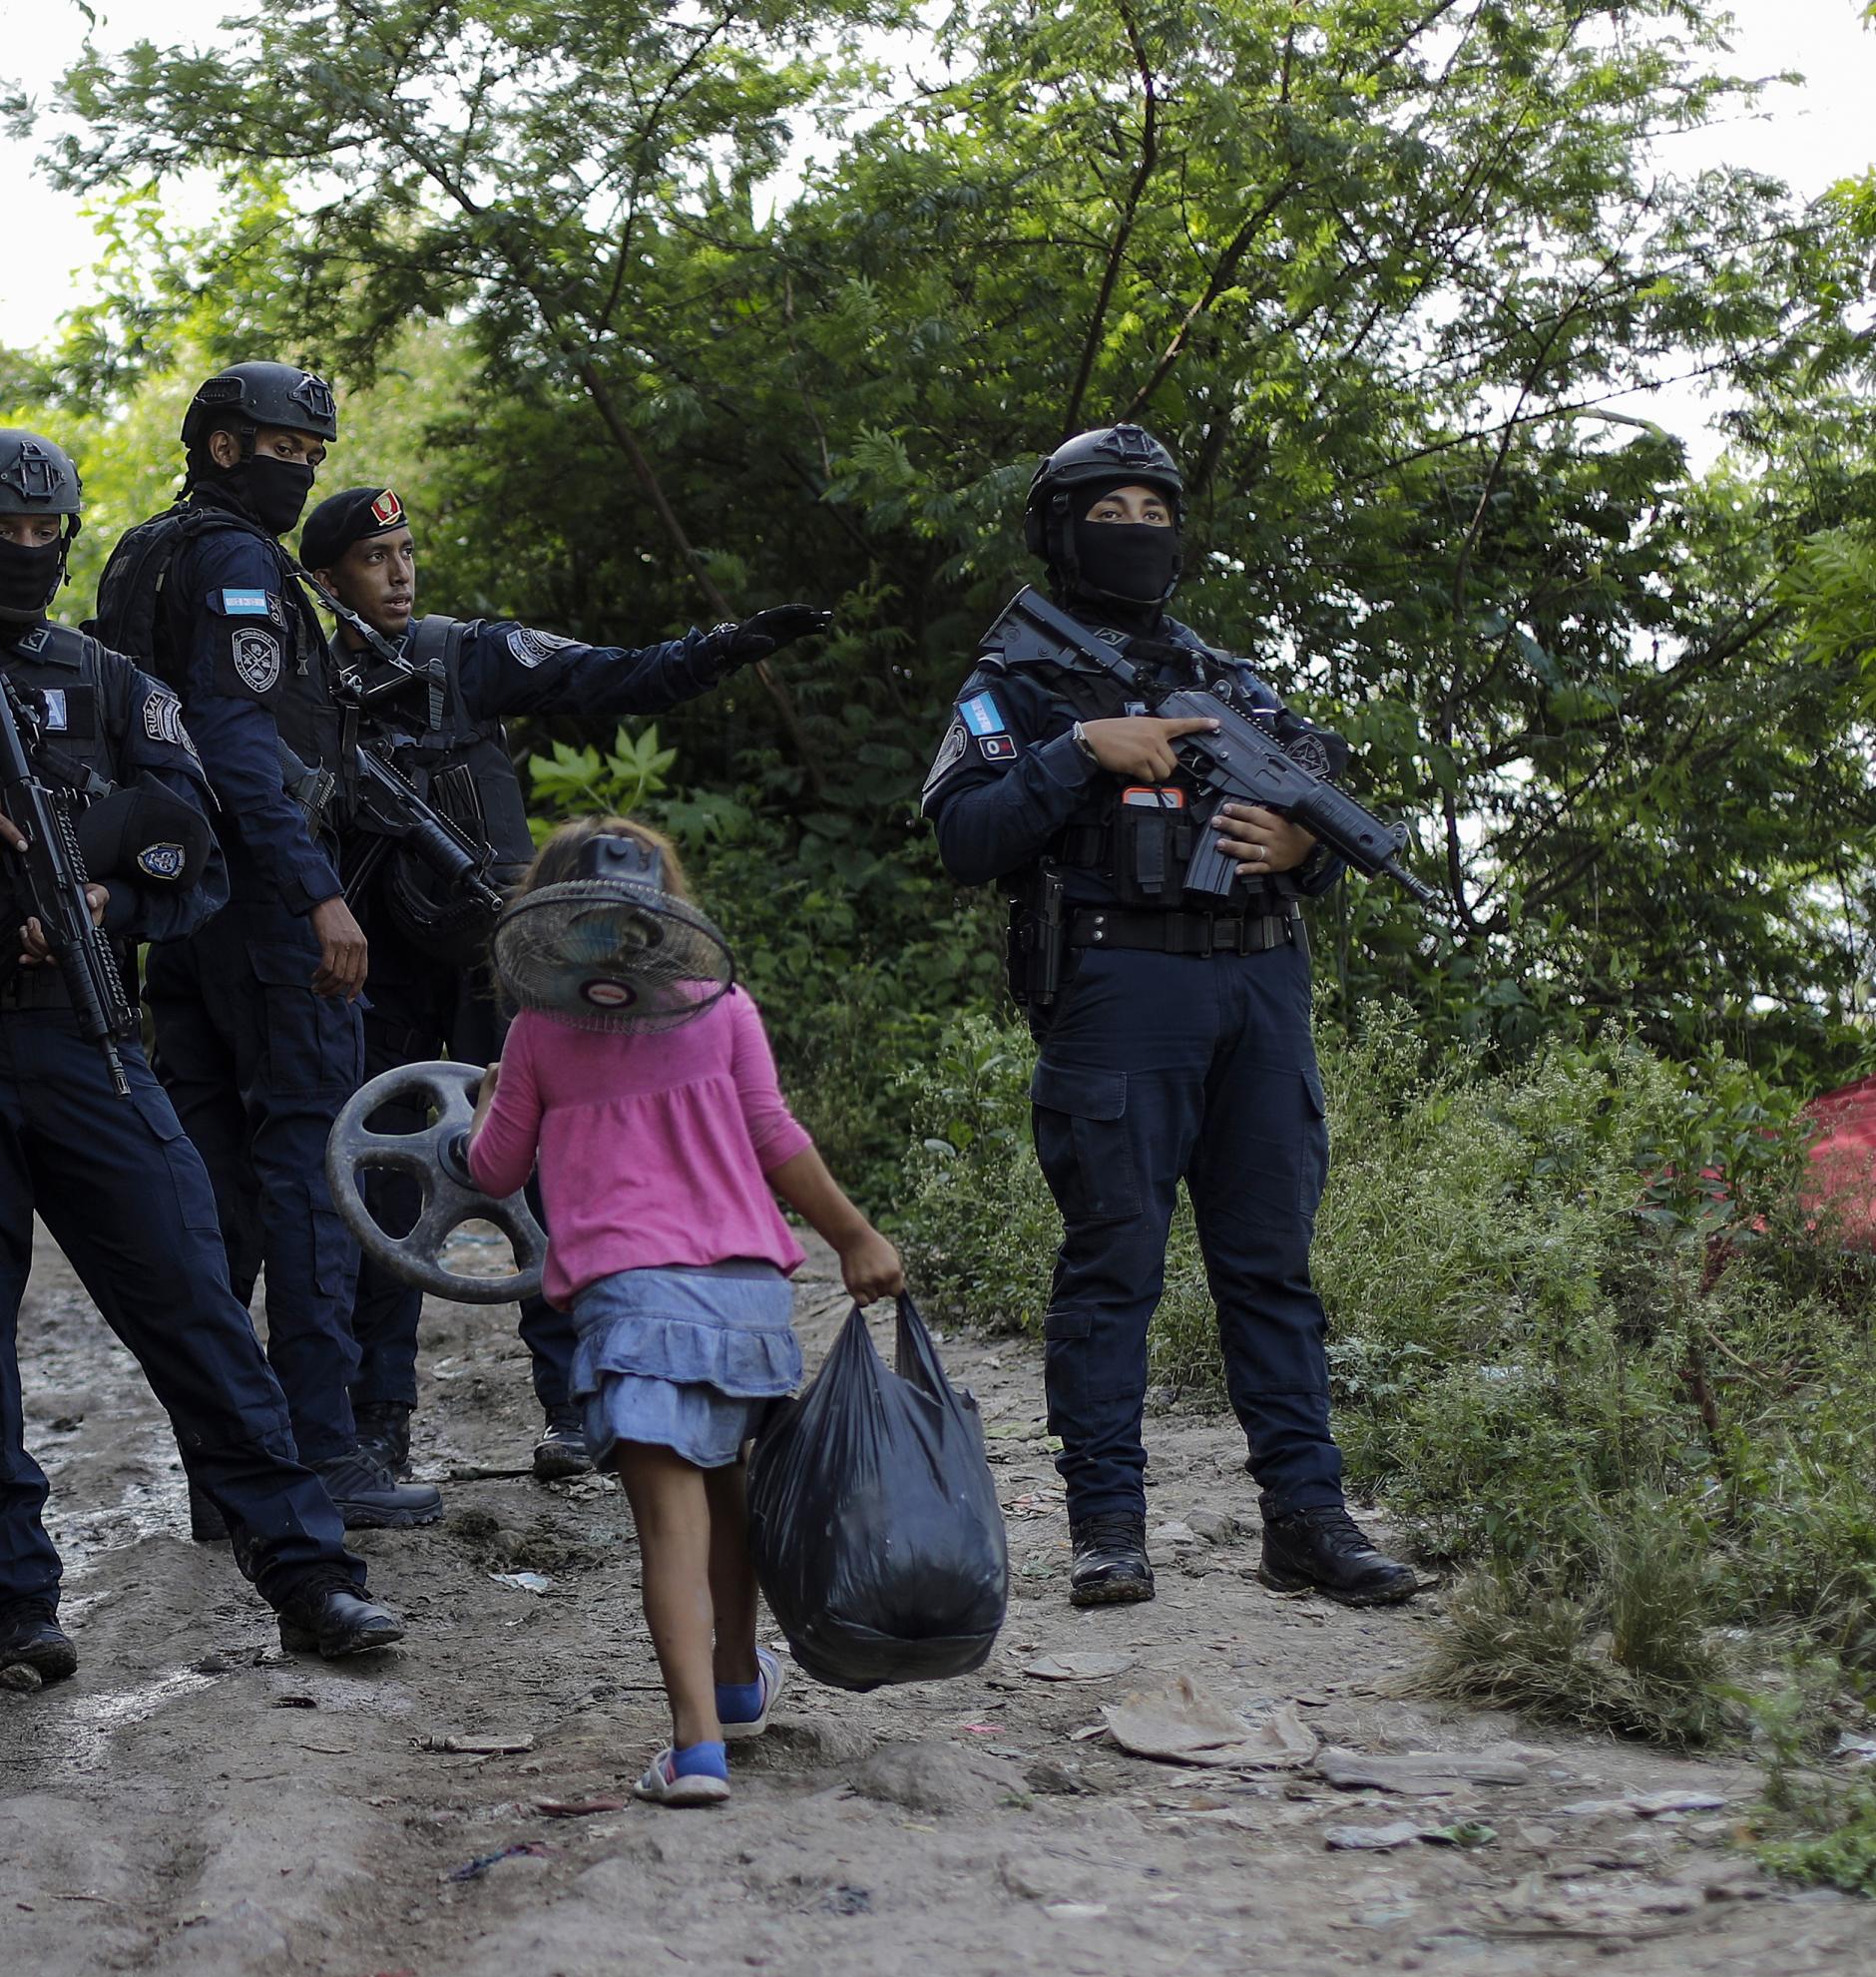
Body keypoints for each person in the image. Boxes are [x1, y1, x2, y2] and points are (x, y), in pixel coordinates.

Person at [0, 425, 405, 1682]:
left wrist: (116, 904)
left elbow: (197, 860)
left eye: (41, 531)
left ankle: (309, 1572)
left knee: (194, 1300)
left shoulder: (114, 687)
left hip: (89, 1037)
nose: (22, 551)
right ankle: (11, 1602)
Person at [921, 420, 1421, 1611]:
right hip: (1118, 986)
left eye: (1156, 513)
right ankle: (1106, 1527)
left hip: (1260, 983)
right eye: (1112, 511)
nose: (1136, 533)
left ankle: (1308, 1516)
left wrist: (1302, 847)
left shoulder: (1234, 682)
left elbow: (1314, 826)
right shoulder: (1019, 683)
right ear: (1059, 529)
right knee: (1115, 1267)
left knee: (1272, 1268)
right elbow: (964, 836)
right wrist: (1081, 752)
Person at [296, 483, 832, 1483]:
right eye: (377, 560)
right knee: (391, 1179)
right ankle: (379, 1419)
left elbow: (610, 678)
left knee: (553, 1168)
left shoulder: (467, 653)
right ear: (327, 581)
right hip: (382, 966)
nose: (402, 573)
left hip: (512, 958)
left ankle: (576, 1400)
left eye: (409, 551)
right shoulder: (302, 685)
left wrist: (723, 647)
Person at [467, 818, 904, 1806]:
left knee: (668, 1523)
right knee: (729, 1498)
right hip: (746, 1293)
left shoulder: (538, 1030)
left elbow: (493, 1170)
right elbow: (771, 1132)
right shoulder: (724, 1005)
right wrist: (854, 1235)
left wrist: (494, 1099)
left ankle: (696, 1747)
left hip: (634, 1296)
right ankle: (741, 1682)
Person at [90, 364, 439, 1530]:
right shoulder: (235, 560)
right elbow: (238, 743)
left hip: (178, 904)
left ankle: (226, 1470)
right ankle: (320, 1453)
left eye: (314, 449)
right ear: (224, 445)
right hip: (257, 906)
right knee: (306, 1168)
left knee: (218, 1188)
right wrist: (314, 896)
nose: (301, 467)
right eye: (284, 446)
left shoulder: (142, 549)